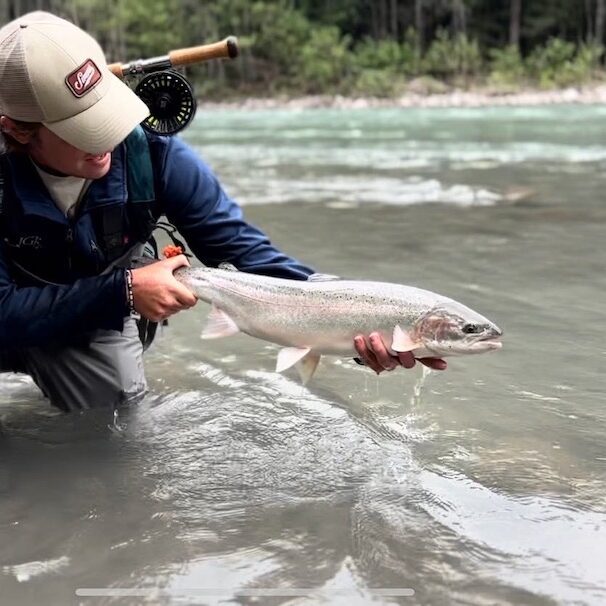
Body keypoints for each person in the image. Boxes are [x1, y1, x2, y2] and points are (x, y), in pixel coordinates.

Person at [0, 11, 445, 412]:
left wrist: (354, 326)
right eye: (83, 128)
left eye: (105, 112)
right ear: (17, 130)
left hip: (92, 304)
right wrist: (126, 292)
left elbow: (249, 256)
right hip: (30, 305)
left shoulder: (153, 157)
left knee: (111, 424)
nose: (109, 138)